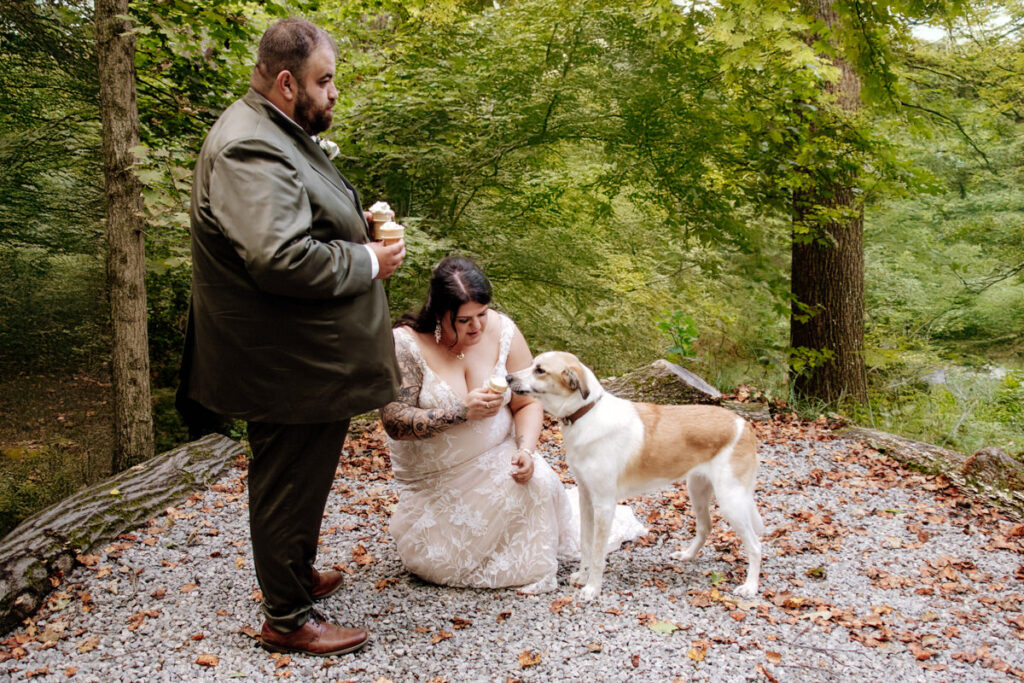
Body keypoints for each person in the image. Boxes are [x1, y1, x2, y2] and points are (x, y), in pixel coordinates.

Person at [178, 18, 404, 656]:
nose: (333, 93)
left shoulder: (276, 128)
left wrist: (352, 222)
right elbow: (278, 258)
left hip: (304, 359)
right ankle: (285, 617)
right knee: (286, 477)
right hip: (283, 361)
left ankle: (295, 574)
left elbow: (294, 211)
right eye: (324, 81)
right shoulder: (248, 144)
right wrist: (368, 263)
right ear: (285, 82)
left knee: (307, 473)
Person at [380, 256, 644, 593]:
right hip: (436, 482)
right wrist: (459, 412)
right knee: (439, 562)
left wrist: (526, 450)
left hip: (500, 455)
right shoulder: (405, 344)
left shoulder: (503, 330)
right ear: (439, 313)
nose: (476, 327)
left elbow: (527, 402)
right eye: (463, 320)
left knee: (539, 484)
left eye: (482, 314)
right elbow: (394, 421)